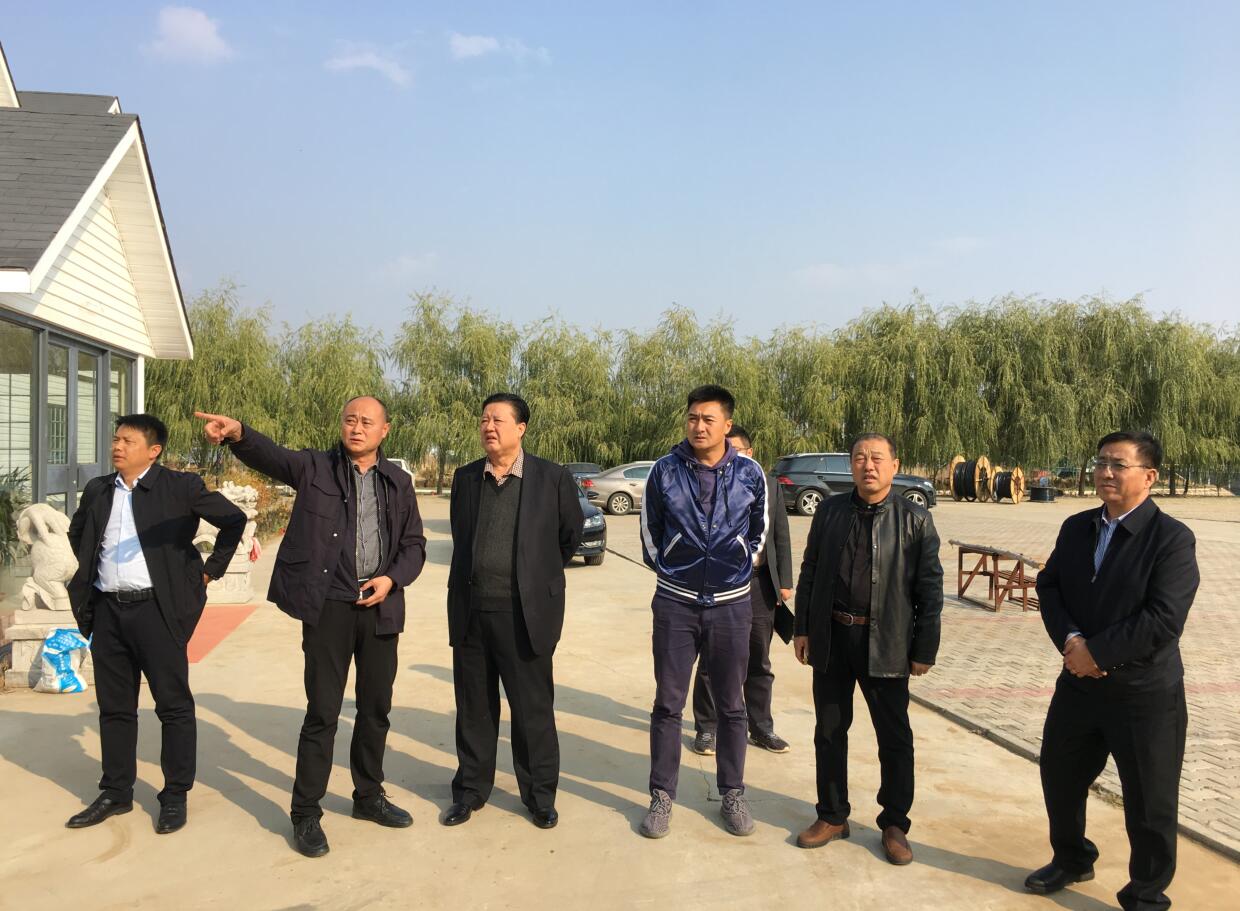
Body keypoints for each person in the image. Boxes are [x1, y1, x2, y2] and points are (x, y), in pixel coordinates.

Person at [196, 397, 427, 858]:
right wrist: (238, 432)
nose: (356, 428)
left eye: (366, 422)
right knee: (323, 712)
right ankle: (305, 812)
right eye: (350, 420)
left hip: (380, 607)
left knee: (375, 709)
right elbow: (271, 456)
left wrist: (391, 579)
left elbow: (414, 544)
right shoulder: (315, 468)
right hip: (329, 607)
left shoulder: (398, 482)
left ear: (384, 431)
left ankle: (368, 796)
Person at [1026, 431, 1198, 910]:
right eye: (1101, 462)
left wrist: (1097, 653)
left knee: (1149, 800)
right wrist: (1072, 643)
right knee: (1060, 775)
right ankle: (1072, 858)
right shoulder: (1077, 527)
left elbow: (1163, 618)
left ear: (1149, 476)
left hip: (1144, 693)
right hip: (1079, 687)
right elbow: (1049, 586)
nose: (1105, 472)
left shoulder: (1171, 539)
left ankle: (1146, 893)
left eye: (1118, 465)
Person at [65, 414, 245, 835]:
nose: (117, 446)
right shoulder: (98, 490)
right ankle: (115, 792)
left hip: (157, 612)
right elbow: (78, 534)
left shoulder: (180, 487)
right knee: (114, 708)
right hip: (108, 611)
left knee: (173, 706)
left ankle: (175, 795)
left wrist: (209, 571)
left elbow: (233, 520)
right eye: (116, 439)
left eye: (128, 441)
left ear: (154, 450)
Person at [792, 433, 941, 865]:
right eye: (860, 457)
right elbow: (811, 570)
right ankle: (832, 815)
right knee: (829, 731)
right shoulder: (830, 511)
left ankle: (894, 823)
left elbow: (930, 589)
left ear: (895, 465)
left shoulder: (914, 519)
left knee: (894, 738)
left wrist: (924, 648)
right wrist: (803, 628)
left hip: (886, 642)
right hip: (833, 638)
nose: (868, 465)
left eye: (877, 458)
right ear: (851, 465)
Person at [441, 393, 583, 830]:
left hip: (525, 615)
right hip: (471, 611)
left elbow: (569, 537)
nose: (489, 427)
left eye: (498, 420)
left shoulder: (552, 478)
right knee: (474, 709)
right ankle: (470, 790)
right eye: (484, 419)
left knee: (531, 710)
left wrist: (532, 577)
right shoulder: (466, 478)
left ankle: (540, 796)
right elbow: (462, 537)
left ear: (521, 428)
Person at [638, 384, 768, 838]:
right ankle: (661, 796)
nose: (698, 426)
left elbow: (759, 530)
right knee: (667, 704)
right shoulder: (664, 470)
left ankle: (732, 793)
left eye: (708, 419)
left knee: (732, 705)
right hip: (675, 604)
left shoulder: (750, 473)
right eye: (693, 417)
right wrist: (673, 568)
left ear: (726, 425)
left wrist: (740, 564)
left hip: (731, 606)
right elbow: (650, 530)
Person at [691, 425, 793, 755]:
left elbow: (780, 535)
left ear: (750, 453)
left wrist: (785, 582)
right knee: (712, 658)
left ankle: (761, 727)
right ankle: (707, 728)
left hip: (759, 584)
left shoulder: (770, 486)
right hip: (719, 583)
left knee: (759, 660)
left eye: (736, 450)